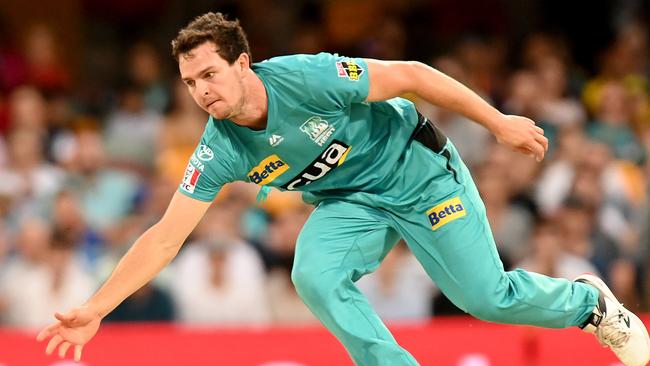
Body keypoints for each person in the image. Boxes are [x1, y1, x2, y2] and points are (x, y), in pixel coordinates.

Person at [37, 12, 650, 366]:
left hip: (417, 171)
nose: (201, 91)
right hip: (349, 203)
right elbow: (165, 239)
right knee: (313, 273)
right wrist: (95, 308)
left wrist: (497, 123)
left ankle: (588, 305)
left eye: (210, 74)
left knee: (486, 298)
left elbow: (410, 76)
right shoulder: (218, 148)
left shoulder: (306, 77)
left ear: (242, 63)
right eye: (190, 81)